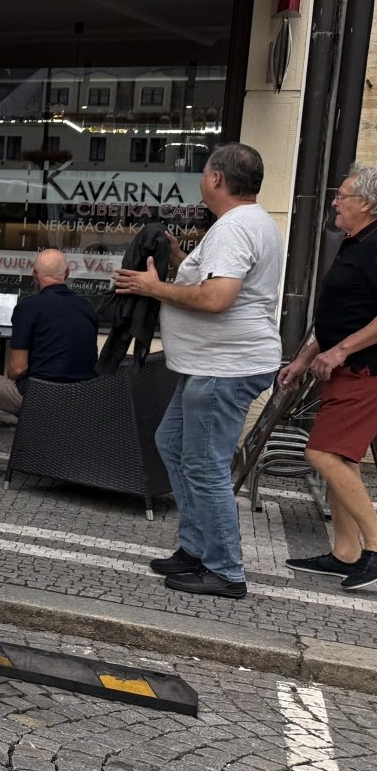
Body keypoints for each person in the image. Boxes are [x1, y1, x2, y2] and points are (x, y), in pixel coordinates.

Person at [114, 143, 283, 599]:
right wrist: (180, 257)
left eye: (204, 172)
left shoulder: (233, 228)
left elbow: (216, 298)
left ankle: (225, 570)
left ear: (216, 179)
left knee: (206, 465)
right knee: (171, 443)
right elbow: (216, 281)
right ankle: (195, 548)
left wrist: (153, 287)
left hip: (223, 367)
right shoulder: (250, 222)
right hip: (213, 364)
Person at [280, 165, 377, 590]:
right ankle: (346, 553)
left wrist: (340, 351)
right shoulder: (355, 242)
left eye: (343, 195)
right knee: (341, 460)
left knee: (323, 454)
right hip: (345, 368)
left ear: (367, 204)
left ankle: (375, 547)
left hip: (365, 371)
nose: (335, 201)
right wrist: (305, 357)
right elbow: (344, 313)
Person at [0, 248, 98, 475]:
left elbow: (18, 368)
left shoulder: (29, 307)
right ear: (67, 273)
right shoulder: (87, 306)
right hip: (82, 397)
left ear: (34, 275)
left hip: (40, 396)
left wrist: (12, 375)